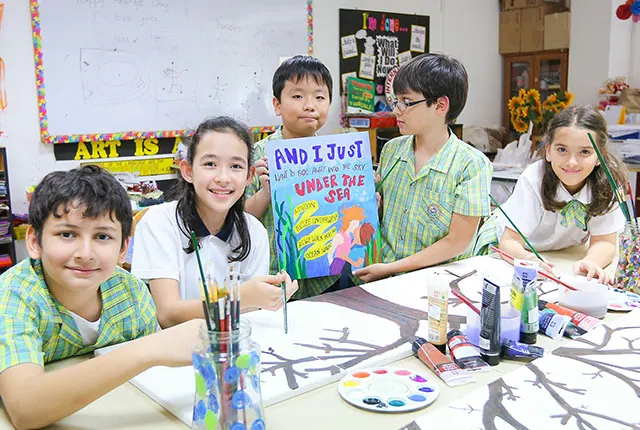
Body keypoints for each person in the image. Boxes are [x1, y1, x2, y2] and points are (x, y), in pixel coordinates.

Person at [0, 165, 203, 429]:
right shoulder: (13, 297)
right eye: (67, 234)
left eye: (103, 236)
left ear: (123, 248)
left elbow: (153, 382)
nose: (85, 253)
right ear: (35, 242)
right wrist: (148, 349)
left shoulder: (130, 293)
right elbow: (25, 408)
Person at [132, 116, 298, 328]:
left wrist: (269, 297)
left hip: (232, 343)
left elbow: (248, 317)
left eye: (235, 166)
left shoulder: (254, 232)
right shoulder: (159, 222)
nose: (223, 178)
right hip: (175, 344)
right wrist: (241, 297)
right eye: (210, 164)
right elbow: (167, 315)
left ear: (249, 176)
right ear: (188, 171)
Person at [354, 52, 492, 283]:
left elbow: (457, 242)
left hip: (434, 285)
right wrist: (372, 206)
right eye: (396, 101)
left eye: (407, 102)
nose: (397, 110)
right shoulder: (392, 150)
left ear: (440, 105)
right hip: (379, 277)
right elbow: (385, 218)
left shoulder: (471, 165)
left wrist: (390, 268)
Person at [245, 55, 358, 297]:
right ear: (277, 105)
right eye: (297, 96)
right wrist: (266, 193)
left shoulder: (338, 157)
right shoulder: (256, 156)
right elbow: (240, 219)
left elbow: (344, 217)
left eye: (320, 97)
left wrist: (363, 200)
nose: (310, 105)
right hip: (273, 276)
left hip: (325, 277)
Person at [474, 105, 626, 284]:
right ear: (548, 151)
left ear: (600, 155)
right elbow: (509, 242)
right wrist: (528, 260)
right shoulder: (534, 179)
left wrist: (592, 262)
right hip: (510, 246)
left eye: (585, 152)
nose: (571, 162)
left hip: (561, 252)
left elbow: (605, 241)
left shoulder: (607, 184)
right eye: (562, 150)